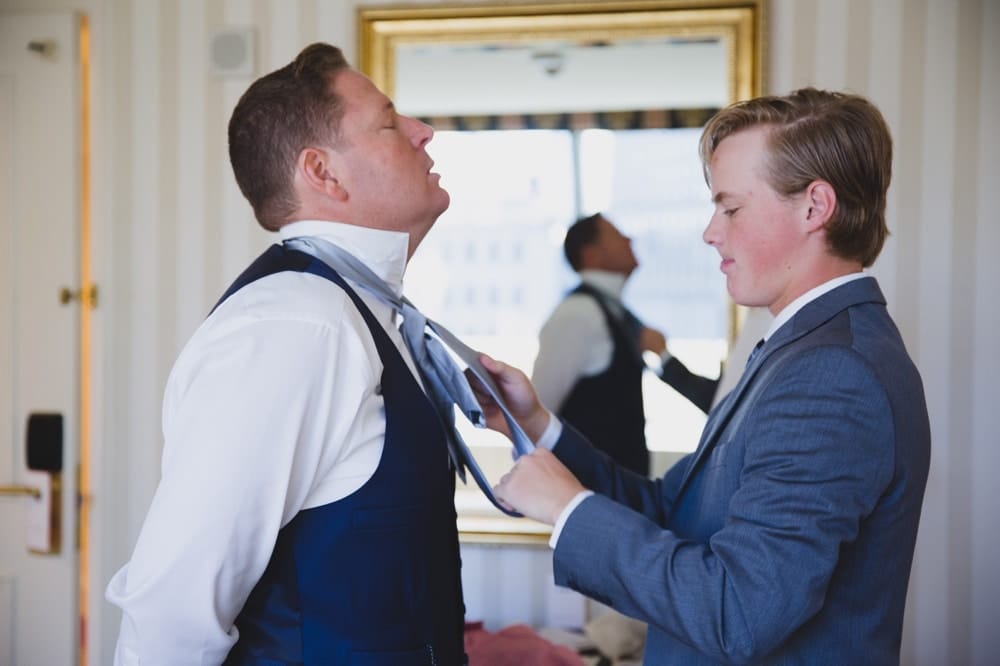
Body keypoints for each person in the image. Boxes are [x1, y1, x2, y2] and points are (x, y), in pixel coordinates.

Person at [476, 88, 931, 664]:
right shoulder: (798, 352)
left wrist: (570, 511)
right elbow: (673, 509)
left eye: (731, 208)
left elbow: (737, 612)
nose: (710, 232)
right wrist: (536, 423)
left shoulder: (831, 375)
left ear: (815, 207)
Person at [106, 43, 468, 664]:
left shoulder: (357, 310)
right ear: (322, 173)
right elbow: (174, 608)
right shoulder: (298, 324)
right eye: (390, 122)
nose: (422, 132)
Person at [531, 213, 721, 476]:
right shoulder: (577, 315)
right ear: (591, 255)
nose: (629, 239)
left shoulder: (614, 311)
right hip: (592, 495)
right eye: (616, 234)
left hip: (620, 488)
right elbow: (539, 406)